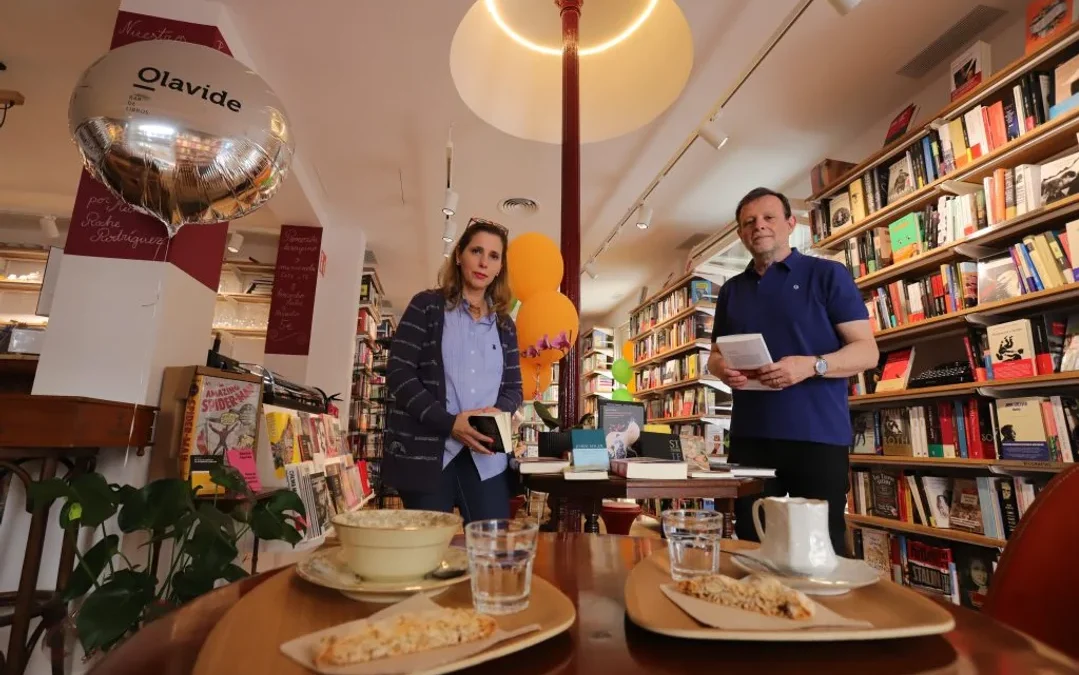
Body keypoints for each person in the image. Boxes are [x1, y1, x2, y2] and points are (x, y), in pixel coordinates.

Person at [707, 187, 879, 556]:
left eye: (769, 217)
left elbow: (867, 352)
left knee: (820, 549)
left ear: (790, 223)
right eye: (748, 222)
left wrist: (812, 366)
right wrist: (723, 369)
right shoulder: (731, 291)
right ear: (740, 234)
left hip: (816, 436)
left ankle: (821, 615)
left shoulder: (828, 275)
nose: (759, 227)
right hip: (750, 438)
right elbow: (715, 356)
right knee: (752, 544)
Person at [382, 218, 523, 523]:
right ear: (459, 255)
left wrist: (496, 413)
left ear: (500, 267)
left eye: (494, 256)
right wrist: (449, 423)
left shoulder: (505, 324)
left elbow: (514, 388)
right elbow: (399, 373)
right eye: (476, 251)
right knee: (427, 556)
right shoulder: (426, 306)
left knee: (492, 553)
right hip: (430, 457)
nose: (484, 262)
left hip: (487, 460)